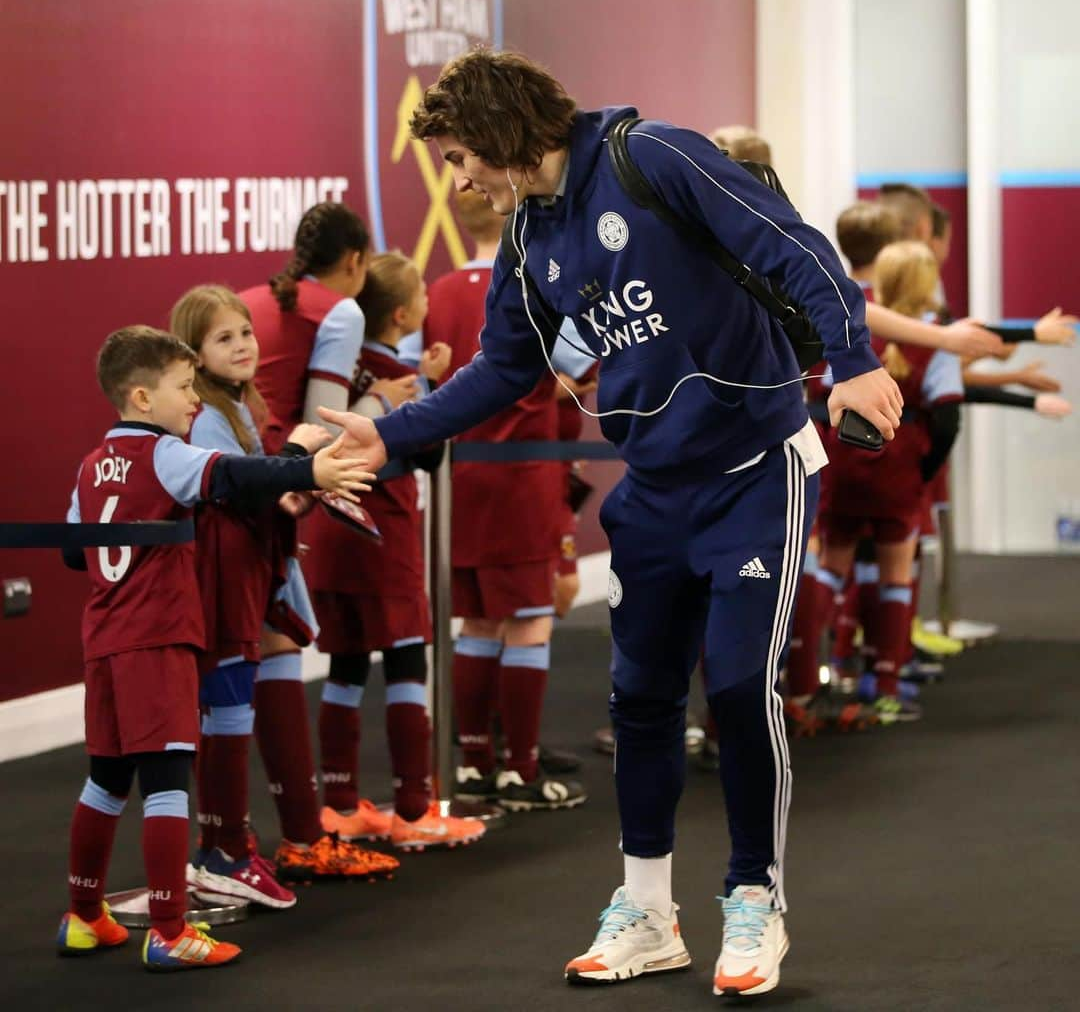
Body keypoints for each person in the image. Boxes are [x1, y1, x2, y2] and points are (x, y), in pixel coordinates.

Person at [316, 48, 904, 998]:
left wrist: (853, 358)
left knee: (744, 686)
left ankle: (755, 898)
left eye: (464, 156)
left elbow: (791, 245)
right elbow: (505, 368)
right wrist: (392, 437)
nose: (459, 179)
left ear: (508, 133)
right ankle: (647, 910)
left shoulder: (652, 156)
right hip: (653, 490)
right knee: (639, 699)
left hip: (756, 469)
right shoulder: (527, 237)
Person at [57, 325, 373, 970]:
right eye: (182, 387)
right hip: (159, 638)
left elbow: (70, 547)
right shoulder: (163, 454)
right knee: (170, 778)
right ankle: (171, 931)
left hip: (105, 640)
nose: (193, 399)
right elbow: (232, 474)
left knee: (107, 780)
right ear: (142, 397)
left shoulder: (92, 464)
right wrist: (310, 466)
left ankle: (84, 917)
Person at [239, 203, 405, 880]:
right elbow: (325, 427)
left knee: (249, 655)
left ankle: (252, 842)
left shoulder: (251, 299)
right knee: (267, 647)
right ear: (357, 261)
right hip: (267, 493)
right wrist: (388, 401)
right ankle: (294, 842)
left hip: (227, 488)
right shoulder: (342, 311)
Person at [308, 251, 485, 849]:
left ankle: (337, 802)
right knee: (409, 658)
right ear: (404, 314)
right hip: (383, 535)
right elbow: (431, 453)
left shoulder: (340, 372)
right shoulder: (400, 381)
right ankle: (414, 807)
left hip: (330, 534)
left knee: (347, 663)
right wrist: (432, 387)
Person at [423, 190, 586, 811]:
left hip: (459, 481)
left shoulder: (436, 292)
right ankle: (519, 767)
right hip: (522, 478)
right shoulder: (538, 284)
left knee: (479, 624)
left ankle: (472, 761)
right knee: (528, 623)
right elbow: (576, 370)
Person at [800, 242, 964, 724]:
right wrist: (924, 471)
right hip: (899, 472)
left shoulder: (849, 330)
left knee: (831, 566)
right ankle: (885, 684)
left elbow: (819, 391)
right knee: (895, 573)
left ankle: (817, 673)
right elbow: (948, 420)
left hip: (843, 468)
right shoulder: (936, 341)